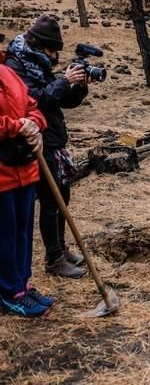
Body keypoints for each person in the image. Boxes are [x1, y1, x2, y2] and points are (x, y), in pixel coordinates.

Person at [5, 14, 87, 279]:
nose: (53, 56)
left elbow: (59, 102)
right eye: (51, 49)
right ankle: (53, 259)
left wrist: (78, 87)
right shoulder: (15, 66)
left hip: (53, 138)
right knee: (51, 200)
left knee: (62, 196)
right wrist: (63, 81)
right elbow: (36, 100)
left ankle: (61, 249)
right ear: (38, 44)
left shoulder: (36, 63)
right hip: (35, 142)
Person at [0, 58, 54, 317]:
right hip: (2, 173)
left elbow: (33, 105)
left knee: (22, 231)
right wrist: (17, 126)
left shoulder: (7, 72)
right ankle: (9, 292)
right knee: (5, 235)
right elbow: (12, 122)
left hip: (24, 168)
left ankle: (23, 284)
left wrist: (34, 121)